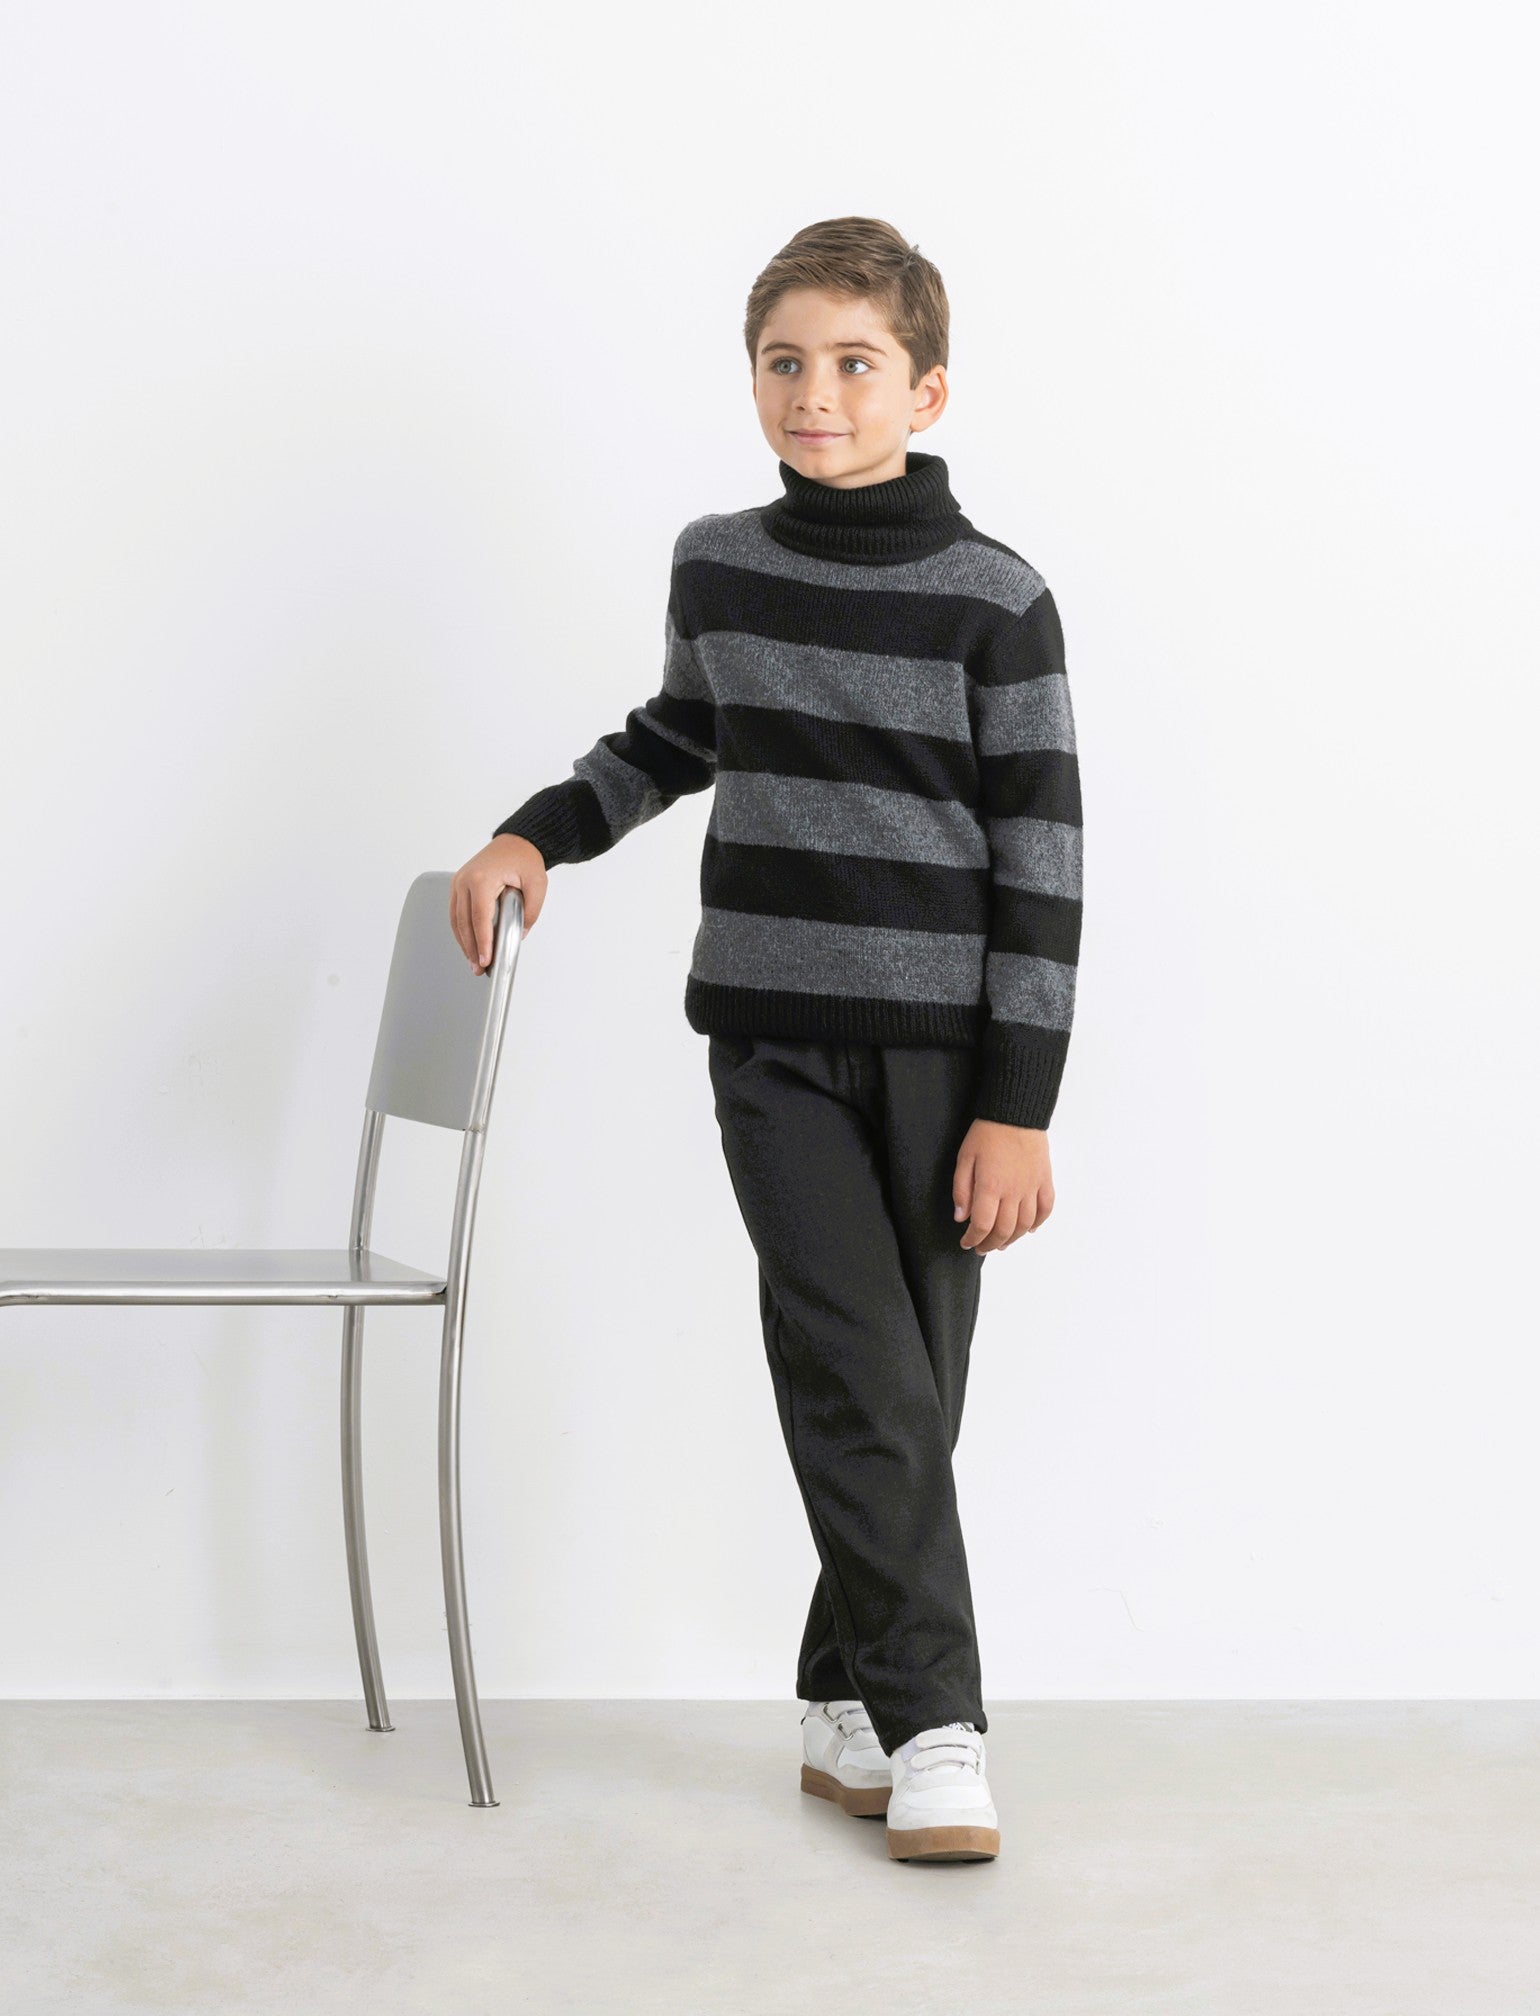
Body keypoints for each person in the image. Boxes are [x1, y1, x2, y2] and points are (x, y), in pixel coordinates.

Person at [449, 216, 1082, 1864]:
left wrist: (1018, 1106)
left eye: (856, 364)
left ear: (926, 391)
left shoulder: (997, 600)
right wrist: (533, 833)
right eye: (785, 362)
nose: (816, 393)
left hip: (948, 1062)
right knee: (853, 1366)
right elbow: (676, 738)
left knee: (913, 1392)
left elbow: (1044, 865)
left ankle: (843, 1694)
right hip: (772, 1048)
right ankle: (937, 1726)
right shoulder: (720, 562)